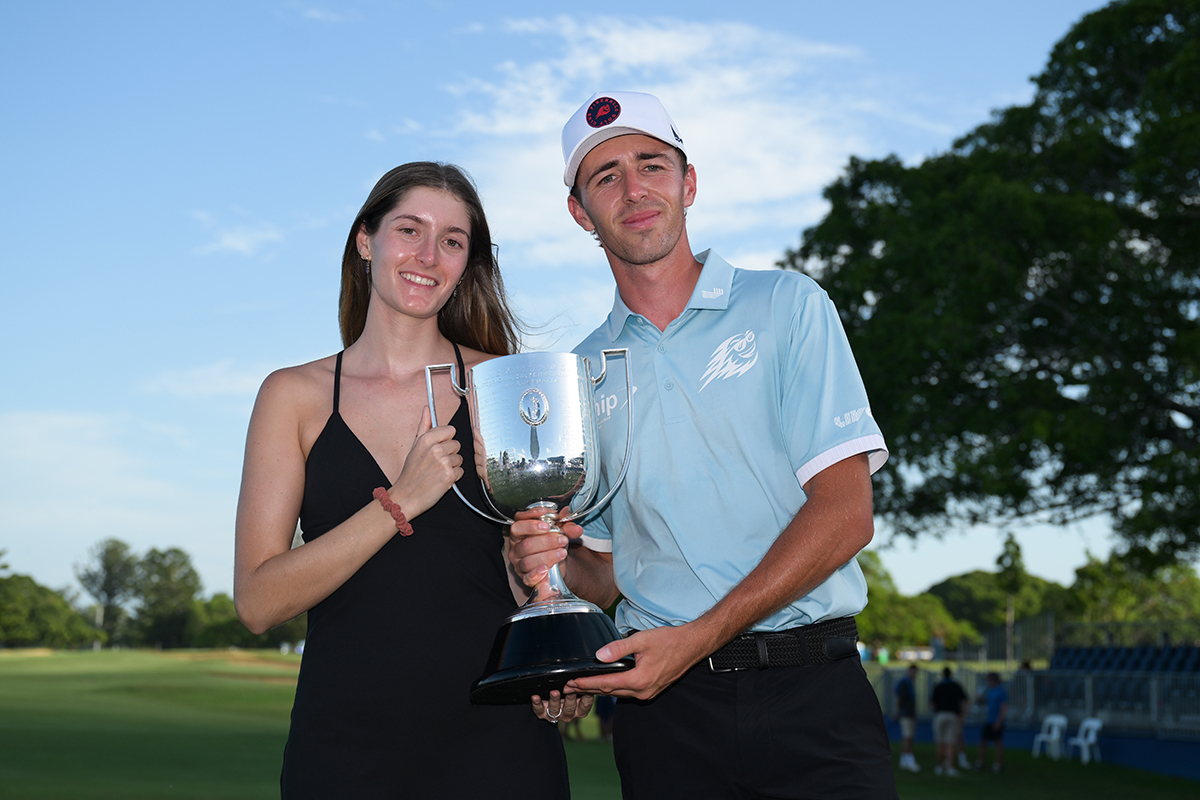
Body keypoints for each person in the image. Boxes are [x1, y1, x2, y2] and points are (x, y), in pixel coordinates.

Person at [509, 91, 897, 799]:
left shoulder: (787, 306)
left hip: (812, 696)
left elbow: (846, 513)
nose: (634, 190)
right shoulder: (579, 375)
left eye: (652, 165)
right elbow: (608, 574)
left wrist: (699, 637)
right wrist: (548, 558)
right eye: (605, 177)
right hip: (668, 721)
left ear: (688, 183)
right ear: (579, 213)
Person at [233, 162, 580, 799]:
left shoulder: (508, 384)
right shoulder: (293, 397)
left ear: (467, 263)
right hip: (342, 755)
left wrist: (555, 654)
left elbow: (535, 574)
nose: (428, 255)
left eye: (452, 240)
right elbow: (257, 602)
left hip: (498, 750)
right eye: (409, 230)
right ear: (366, 241)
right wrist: (402, 500)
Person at [930, 666, 968, 776]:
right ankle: (950, 767)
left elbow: (932, 703)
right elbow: (965, 700)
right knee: (950, 744)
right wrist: (962, 714)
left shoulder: (938, 686)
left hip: (940, 715)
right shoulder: (956, 686)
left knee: (940, 743)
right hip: (953, 715)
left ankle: (939, 766)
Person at [975, 671, 1009, 773]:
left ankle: (998, 765)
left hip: (996, 720)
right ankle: (980, 763)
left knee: (997, 743)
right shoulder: (989, 691)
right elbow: (985, 702)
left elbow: (1004, 707)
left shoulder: (1001, 691)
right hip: (988, 720)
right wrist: (979, 699)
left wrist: (999, 721)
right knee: (982, 742)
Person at [895, 664, 920, 772]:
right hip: (906, 714)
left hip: (908, 713)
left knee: (907, 737)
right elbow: (900, 698)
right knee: (908, 737)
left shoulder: (908, 683)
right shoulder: (905, 683)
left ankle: (904, 759)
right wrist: (899, 711)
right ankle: (909, 760)